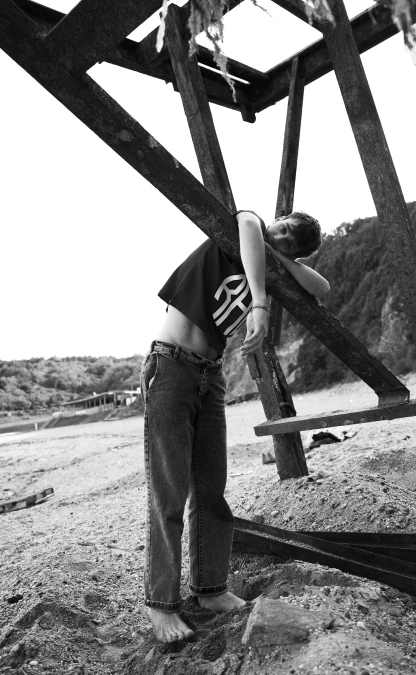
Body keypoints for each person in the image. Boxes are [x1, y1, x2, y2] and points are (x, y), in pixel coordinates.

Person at [141, 210, 330, 643]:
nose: (277, 235)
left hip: (211, 375)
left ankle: (210, 589)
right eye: (280, 226)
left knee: (211, 490)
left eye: (287, 240)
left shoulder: (265, 259)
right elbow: (248, 224)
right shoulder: (237, 232)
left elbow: (323, 289)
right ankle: (161, 604)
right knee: (169, 492)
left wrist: (281, 259)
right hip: (171, 367)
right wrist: (260, 302)